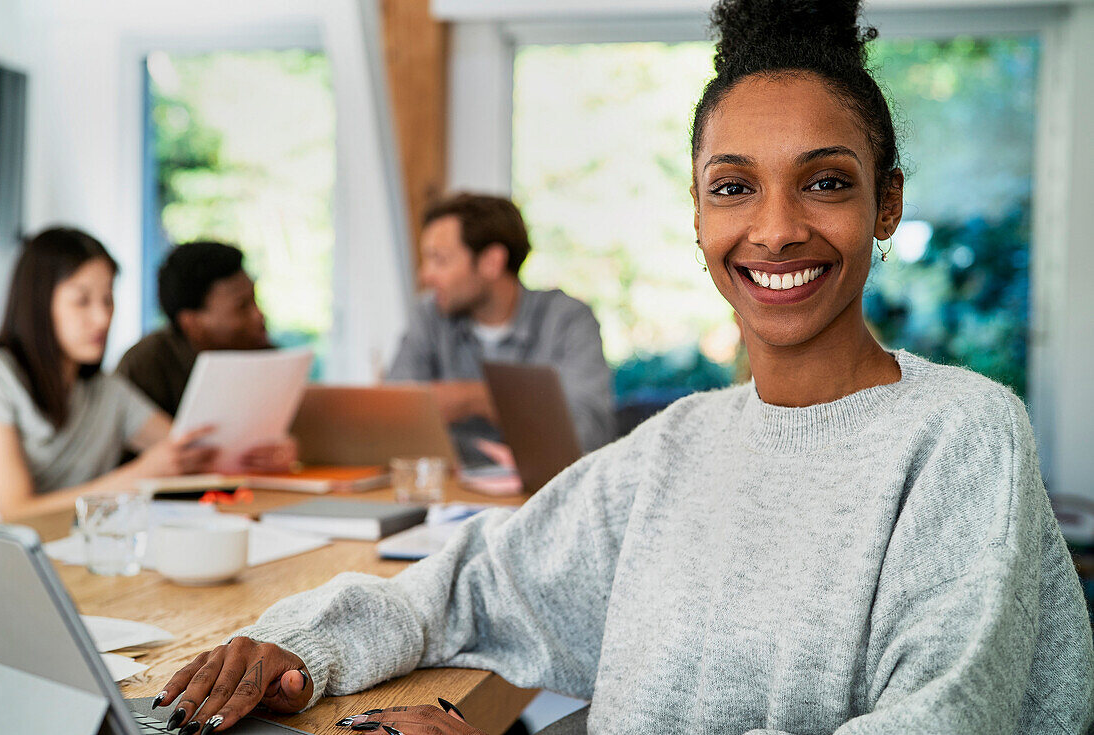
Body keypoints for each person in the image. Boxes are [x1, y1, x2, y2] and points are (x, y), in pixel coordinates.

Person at [155, 1, 1094, 733]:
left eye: (826, 180)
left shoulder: (965, 431)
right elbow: (477, 581)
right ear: (696, 216)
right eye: (733, 187)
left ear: (886, 204)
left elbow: (939, 719)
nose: (774, 228)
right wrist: (298, 644)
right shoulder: (680, 442)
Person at [0, 228, 217, 521]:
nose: (102, 318)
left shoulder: (108, 391)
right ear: (38, 304)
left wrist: (264, 452)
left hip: (87, 553)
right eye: (82, 301)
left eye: (108, 300)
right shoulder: (1, 378)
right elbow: (15, 511)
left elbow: (192, 450)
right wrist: (138, 477)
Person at [386, 193, 615, 455]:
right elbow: (393, 417)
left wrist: (478, 399)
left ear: (491, 262)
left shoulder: (567, 320)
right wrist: (529, 406)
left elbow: (591, 436)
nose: (425, 275)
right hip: (451, 492)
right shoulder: (430, 316)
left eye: (440, 260)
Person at [117, 241, 270, 418]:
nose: (259, 315)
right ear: (191, 322)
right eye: (242, 306)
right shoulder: (144, 366)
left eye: (255, 300)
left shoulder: (264, 353)